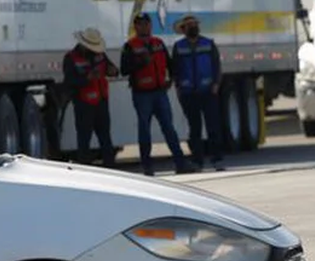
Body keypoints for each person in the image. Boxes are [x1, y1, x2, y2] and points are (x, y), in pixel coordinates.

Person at [121, 12, 192, 176]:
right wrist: (139, 63)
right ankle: (147, 166)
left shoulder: (158, 43)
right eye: (140, 24)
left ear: (150, 25)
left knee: (169, 128)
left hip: (160, 92)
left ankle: (180, 163)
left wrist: (171, 80)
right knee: (144, 130)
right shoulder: (130, 46)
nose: (144, 26)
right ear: (135, 26)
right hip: (142, 94)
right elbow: (124, 69)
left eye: (146, 23)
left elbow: (170, 64)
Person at [171, 15, 228, 172]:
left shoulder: (208, 44)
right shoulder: (179, 47)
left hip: (208, 91)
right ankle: (198, 161)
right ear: (184, 29)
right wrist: (178, 88)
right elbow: (174, 70)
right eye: (189, 25)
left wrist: (216, 84)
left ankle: (217, 159)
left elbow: (216, 66)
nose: (193, 27)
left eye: (194, 24)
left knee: (213, 127)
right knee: (194, 129)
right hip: (188, 93)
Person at [63, 27, 119, 167]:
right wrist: (87, 78)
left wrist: (113, 71)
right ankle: (85, 170)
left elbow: (112, 69)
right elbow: (69, 82)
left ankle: (111, 168)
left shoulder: (100, 55)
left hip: (101, 102)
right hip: (83, 104)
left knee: (105, 139)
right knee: (84, 140)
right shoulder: (71, 58)